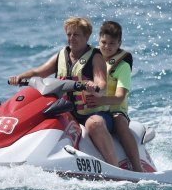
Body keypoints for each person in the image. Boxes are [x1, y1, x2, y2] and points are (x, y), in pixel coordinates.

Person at [7, 16, 119, 166]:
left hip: (92, 114)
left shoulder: (95, 56)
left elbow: (101, 82)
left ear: (86, 36)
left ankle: (116, 168)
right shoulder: (61, 55)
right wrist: (19, 78)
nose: (72, 38)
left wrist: (93, 86)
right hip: (66, 112)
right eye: (69, 34)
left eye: (76, 34)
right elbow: (38, 72)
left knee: (95, 124)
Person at [83, 21, 144, 172]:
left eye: (112, 43)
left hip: (115, 110)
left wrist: (101, 100)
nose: (107, 46)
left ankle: (138, 168)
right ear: (98, 40)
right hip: (94, 109)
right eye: (104, 42)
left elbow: (120, 97)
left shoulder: (122, 66)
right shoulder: (90, 58)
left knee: (120, 123)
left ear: (119, 44)